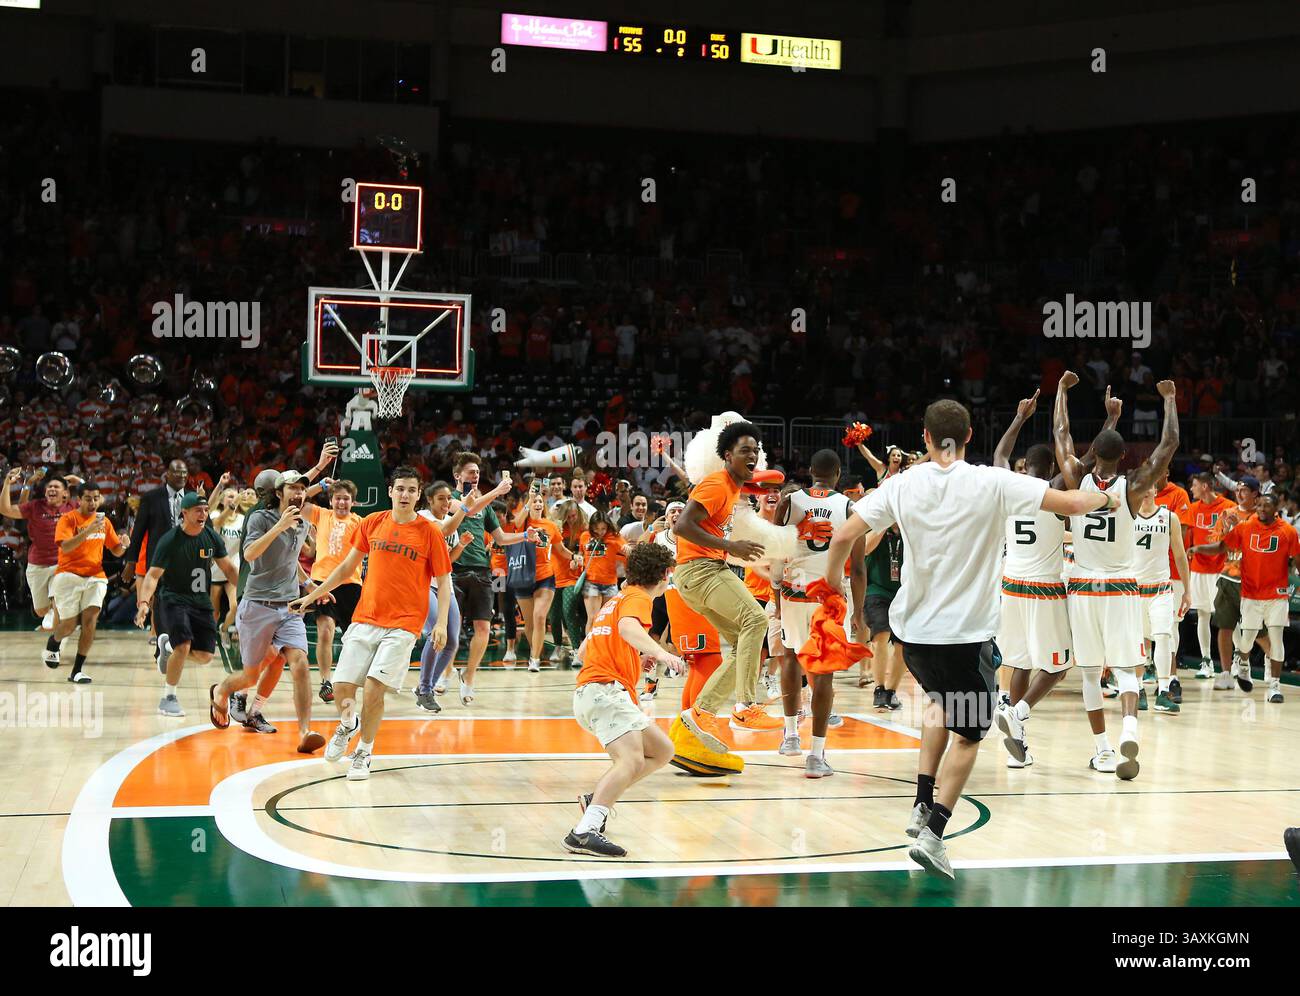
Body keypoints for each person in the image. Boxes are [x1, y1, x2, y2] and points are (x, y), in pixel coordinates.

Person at [824, 398, 1120, 879]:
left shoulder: (900, 484)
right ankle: (935, 834)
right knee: (969, 734)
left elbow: (842, 539)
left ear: (924, 437)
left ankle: (922, 803)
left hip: (913, 636)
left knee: (941, 705)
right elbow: (1071, 502)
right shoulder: (992, 481)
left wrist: (834, 593)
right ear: (967, 438)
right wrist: (1111, 498)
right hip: (964, 638)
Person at [1053, 373, 1179, 781]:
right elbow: (1168, 445)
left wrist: (1061, 391)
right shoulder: (1135, 486)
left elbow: (1060, 432)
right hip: (1124, 587)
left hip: (1084, 587)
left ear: (1094, 454)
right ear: (1124, 457)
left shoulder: (1077, 477)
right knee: (1126, 670)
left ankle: (1103, 751)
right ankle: (1130, 728)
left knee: (1091, 673)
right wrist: (1170, 400)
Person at [291, 466, 453, 780]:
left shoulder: (430, 532)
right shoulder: (372, 523)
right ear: (390, 491)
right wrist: (311, 595)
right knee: (341, 686)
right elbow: (344, 568)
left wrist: (442, 622)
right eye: (400, 489)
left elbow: (444, 582)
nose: (405, 495)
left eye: (411, 490)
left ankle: (364, 751)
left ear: (418, 495)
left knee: (375, 689)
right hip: (366, 616)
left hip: (404, 623)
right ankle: (348, 723)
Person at [565, 542, 684, 857]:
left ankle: (595, 800)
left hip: (594, 692)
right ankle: (584, 832)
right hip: (605, 690)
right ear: (662, 575)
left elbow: (584, 650)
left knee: (662, 751)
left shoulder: (615, 599)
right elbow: (628, 627)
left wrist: (635, 654)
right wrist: (658, 652)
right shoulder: (637, 598)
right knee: (630, 760)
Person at [673, 422, 770, 758]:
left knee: (747, 642)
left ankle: (700, 712)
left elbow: (761, 481)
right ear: (727, 456)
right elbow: (682, 525)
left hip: (694, 575)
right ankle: (746, 705)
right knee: (757, 622)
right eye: (745, 450)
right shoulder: (717, 484)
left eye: (755, 450)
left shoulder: (733, 485)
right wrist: (731, 546)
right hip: (701, 570)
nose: (753, 455)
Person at [210, 471, 325, 751]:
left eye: (302, 489)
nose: (298, 493)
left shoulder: (303, 521)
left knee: (299, 664)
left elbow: (292, 561)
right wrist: (279, 527)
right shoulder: (259, 518)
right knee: (250, 676)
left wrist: (311, 587)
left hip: (288, 607)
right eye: (292, 488)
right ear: (278, 493)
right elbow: (249, 555)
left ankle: (304, 732)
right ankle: (223, 690)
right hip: (257, 606)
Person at [772, 449, 867, 775]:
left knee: (790, 658)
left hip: (794, 593)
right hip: (829, 599)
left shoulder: (789, 501)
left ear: (810, 471)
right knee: (823, 673)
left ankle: (790, 735)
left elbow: (775, 550)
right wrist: (859, 613)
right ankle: (816, 755)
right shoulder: (850, 507)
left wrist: (775, 592)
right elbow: (858, 570)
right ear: (838, 474)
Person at [134, 493, 240, 718]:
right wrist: (144, 604)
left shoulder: (211, 537)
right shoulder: (170, 540)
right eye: (198, 510)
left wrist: (247, 592)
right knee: (184, 646)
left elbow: (229, 569)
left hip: (201, 602)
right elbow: (152, 576)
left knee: (205, 656)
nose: (203, 514)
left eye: (205, 510)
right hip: (174, 599)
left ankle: (169, 649)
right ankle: (168, 697)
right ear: (184, 513)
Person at [1189, 492, 1300, 704]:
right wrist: (1199, 548)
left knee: (1276, 637)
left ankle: (1274, 686)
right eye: (1259, 507)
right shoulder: (1246, 527)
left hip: (1277, 595)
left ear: (1275, 509)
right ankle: (1243, 664)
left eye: (1266, 507)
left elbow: (1297, 559)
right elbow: (1222, 546)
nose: (1261, 510)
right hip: (1250, 594)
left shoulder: (1288, 531)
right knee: (1247, 640)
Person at [447, 453, 532, 705]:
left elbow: (502, 538)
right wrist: (496, 492)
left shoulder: (485, 509)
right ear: (457, 475)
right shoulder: (448, 498)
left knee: (483, 627)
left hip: (482, 572)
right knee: (452, 629)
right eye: (470, 471)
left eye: (476, 472)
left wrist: (526, 535)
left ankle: (469, 677)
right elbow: (467, 508)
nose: (474, 475)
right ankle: (444, 671)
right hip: (453, 570)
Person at [47, 483, 127, 683]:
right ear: (79, 500)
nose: (92, 502)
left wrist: (124, 544)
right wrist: (88, 530)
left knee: (90, 621)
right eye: (88, 498)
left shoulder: (105, 522)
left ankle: (76, 671)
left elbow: (116, 550)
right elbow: (66, 547)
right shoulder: (68, 519)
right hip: (68, 575)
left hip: (95, 577)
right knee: (69, 625)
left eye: (96, 498)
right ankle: (54, 641)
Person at [303, 479, 363, 704]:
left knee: (352, 638)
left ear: (353, 502)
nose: (341, 502)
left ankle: (346, 679)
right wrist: (319, 484)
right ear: (331, 500)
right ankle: (326, 681)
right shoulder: (321, 515)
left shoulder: (359, 522)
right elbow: (297, 501)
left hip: (352, 585)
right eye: (338, 498)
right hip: (322, 582)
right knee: (325, 630)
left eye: (346, 498)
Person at [1133, 484, 1192, 712]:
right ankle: (1138, 689)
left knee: (1164, 637)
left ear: (1156, 491)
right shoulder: (1127, 515)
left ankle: (1164, 690)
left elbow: (1179, 554)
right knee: (1136, 641)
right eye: (1142, 487)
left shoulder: (1170, 518)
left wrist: (1187, 590)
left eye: (1151, 488)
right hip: (1134, 589)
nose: (1146, 491)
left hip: (1161, 588)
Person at [505, 487, 576, 671]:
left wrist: (575, 557)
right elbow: (515, 523)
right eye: (534, 501)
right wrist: (528, 499)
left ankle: (534, 659)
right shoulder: (522, 523)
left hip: (545, 576)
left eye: (539, 501)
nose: (537, 503)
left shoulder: (550, 526)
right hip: (522, 575)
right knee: (529, 623)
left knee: (539, 617)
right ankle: (534, 651)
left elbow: (560, 550)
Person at [1, 467, 76, 631]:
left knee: (59, 597)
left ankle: (56, 641)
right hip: (38, 564)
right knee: (40, 610)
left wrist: (81, 482)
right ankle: (50, 613)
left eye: (56, 487)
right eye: (49, 487)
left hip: (62, 564)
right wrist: (7, 483)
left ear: (65, 493)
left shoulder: (72, 507)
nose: (52, 489)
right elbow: (5, 509)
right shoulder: (35, 506)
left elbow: (98, 501)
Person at [1207, 477, 1263, 691]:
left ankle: (1262, 667)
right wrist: (1226, 530)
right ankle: (1225, 672)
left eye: (1245, 490)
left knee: (1258, 630)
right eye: (1238, 490)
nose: (1239, 494)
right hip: (1228, 576)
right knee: (1225, 626)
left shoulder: (1263, 515)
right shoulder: (1226, 514)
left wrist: (1237, 527)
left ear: (1255, 493)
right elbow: (1215, 542)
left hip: (1254, 581)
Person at [1183, 472, 1237, 679]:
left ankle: (1236, 663)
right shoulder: (1193, 509)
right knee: (1203, 616)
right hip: (1198, 569)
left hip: (1221, 570)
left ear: (1205, 486)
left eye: (1194, 485)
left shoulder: (1227, 506)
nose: (1191, 489)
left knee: (1228, 619)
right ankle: (1206, 662)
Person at [207, 478, 242, 645]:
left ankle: (223, 629)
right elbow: (218, 522)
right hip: (216, 568)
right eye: (228, 496)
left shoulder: (243, 518)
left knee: (235, 606)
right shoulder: (215, 515)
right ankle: (210, 636)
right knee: (214, 611)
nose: (231, 499)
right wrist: (232, 507)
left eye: (234, 496)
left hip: (233, 567)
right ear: (222, 500)